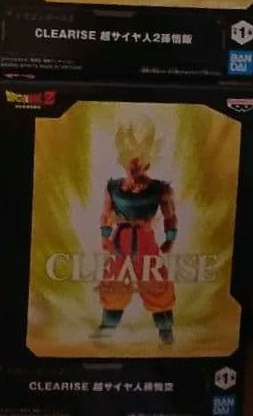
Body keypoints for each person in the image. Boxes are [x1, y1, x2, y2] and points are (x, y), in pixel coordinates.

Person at [92, 117, 177, 346]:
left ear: (148, 161)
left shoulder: (159, 188)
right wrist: (104, 236)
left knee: (155, 282)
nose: (135, 162)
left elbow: (169, 215)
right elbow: (106, 213)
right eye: (131, 156)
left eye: (140, 157)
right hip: (120, 241)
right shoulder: (113, 187)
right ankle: (107, 328)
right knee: (114, 283)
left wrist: (170, 239)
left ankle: (165, 330)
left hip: (146, 241)